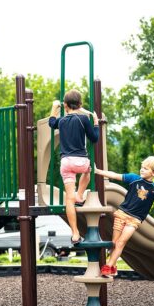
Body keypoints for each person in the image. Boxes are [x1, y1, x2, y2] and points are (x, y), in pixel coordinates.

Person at [94, 156, 154, 277]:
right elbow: (115, 175)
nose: (141, 170)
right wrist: (98, 171)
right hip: (122, 214)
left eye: (145, 169)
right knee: (114, 243)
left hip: (134, 220)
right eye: (141, 167)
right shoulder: (133, 178)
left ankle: (108, 267)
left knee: (121, 243)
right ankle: (113, 267)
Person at [48, 89, 99, 244]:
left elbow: (51, 123)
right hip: (81, 162)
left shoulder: (62, 121)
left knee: (68, 200)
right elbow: (94, 138)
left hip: (66, 163)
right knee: (89, 170)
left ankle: (75, 233)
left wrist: (54, 107)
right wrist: (95, 121)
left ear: (65, 105)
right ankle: (80, 194)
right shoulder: (83, 119)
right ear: (80, 104)